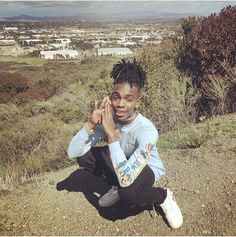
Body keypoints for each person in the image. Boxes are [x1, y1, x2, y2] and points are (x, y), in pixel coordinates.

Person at [67, 59, 183, 229]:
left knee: (128, 194)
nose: (121, 104)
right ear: (111, 97)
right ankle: (115, 185)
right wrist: (90, 124)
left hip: (145, 167)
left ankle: (163, 196)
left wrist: (112, 135)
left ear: (137, 102)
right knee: (85, 158)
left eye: (128, 99)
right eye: (116, 97)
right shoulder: (108, 117)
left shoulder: (147, 130)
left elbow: (127, 177)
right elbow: (73, 153)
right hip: (120, 164)